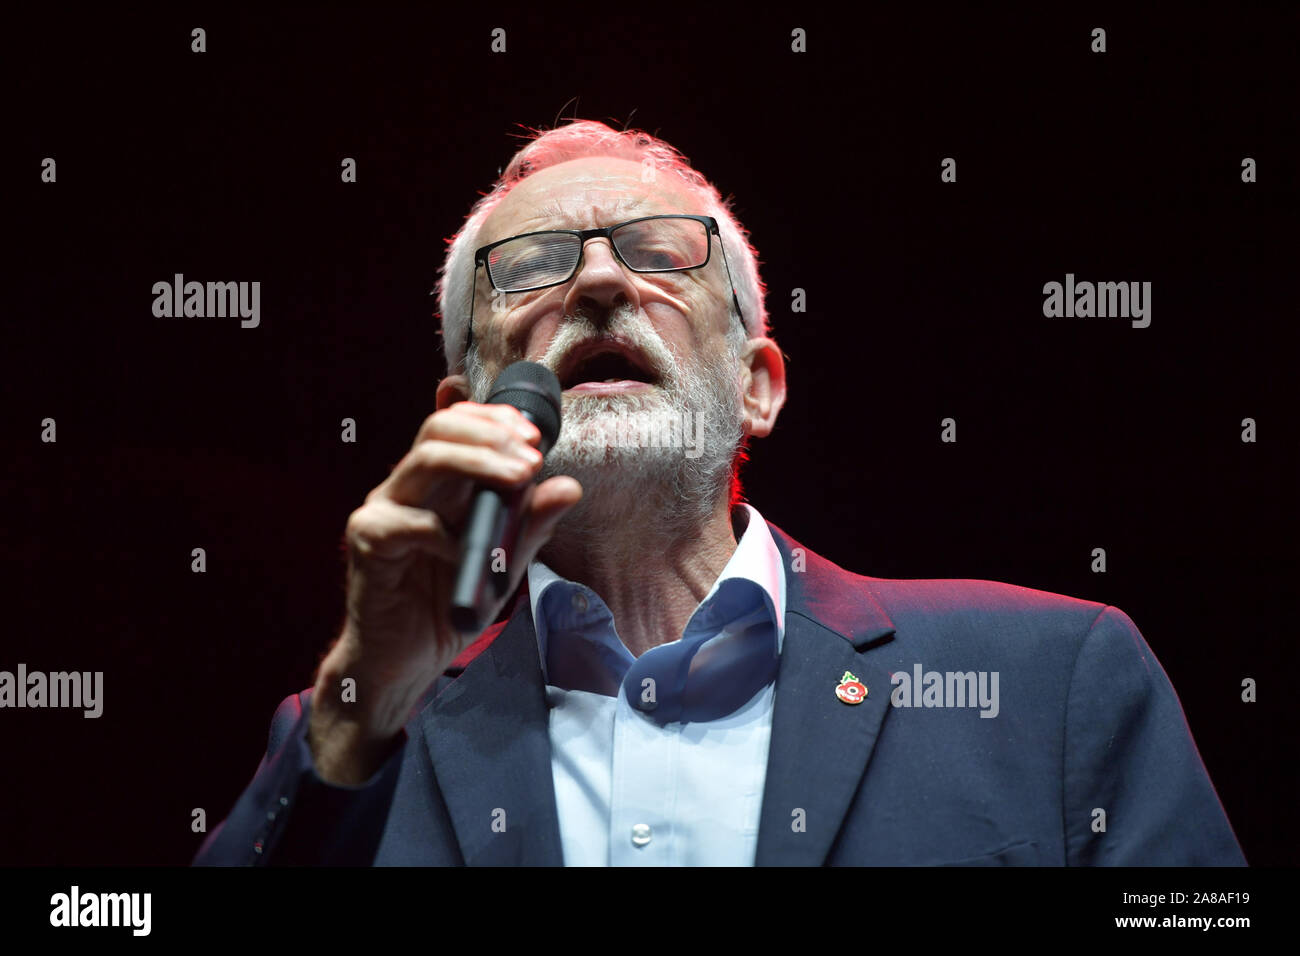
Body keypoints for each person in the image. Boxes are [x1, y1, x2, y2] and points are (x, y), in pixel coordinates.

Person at [195, 120, 1245, 866]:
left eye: (658, 254)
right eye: (530, 267)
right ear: (464, 406)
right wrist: (357, 700)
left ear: (756, 385)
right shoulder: (359, 732)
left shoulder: (1049, 682)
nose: (599, 284)